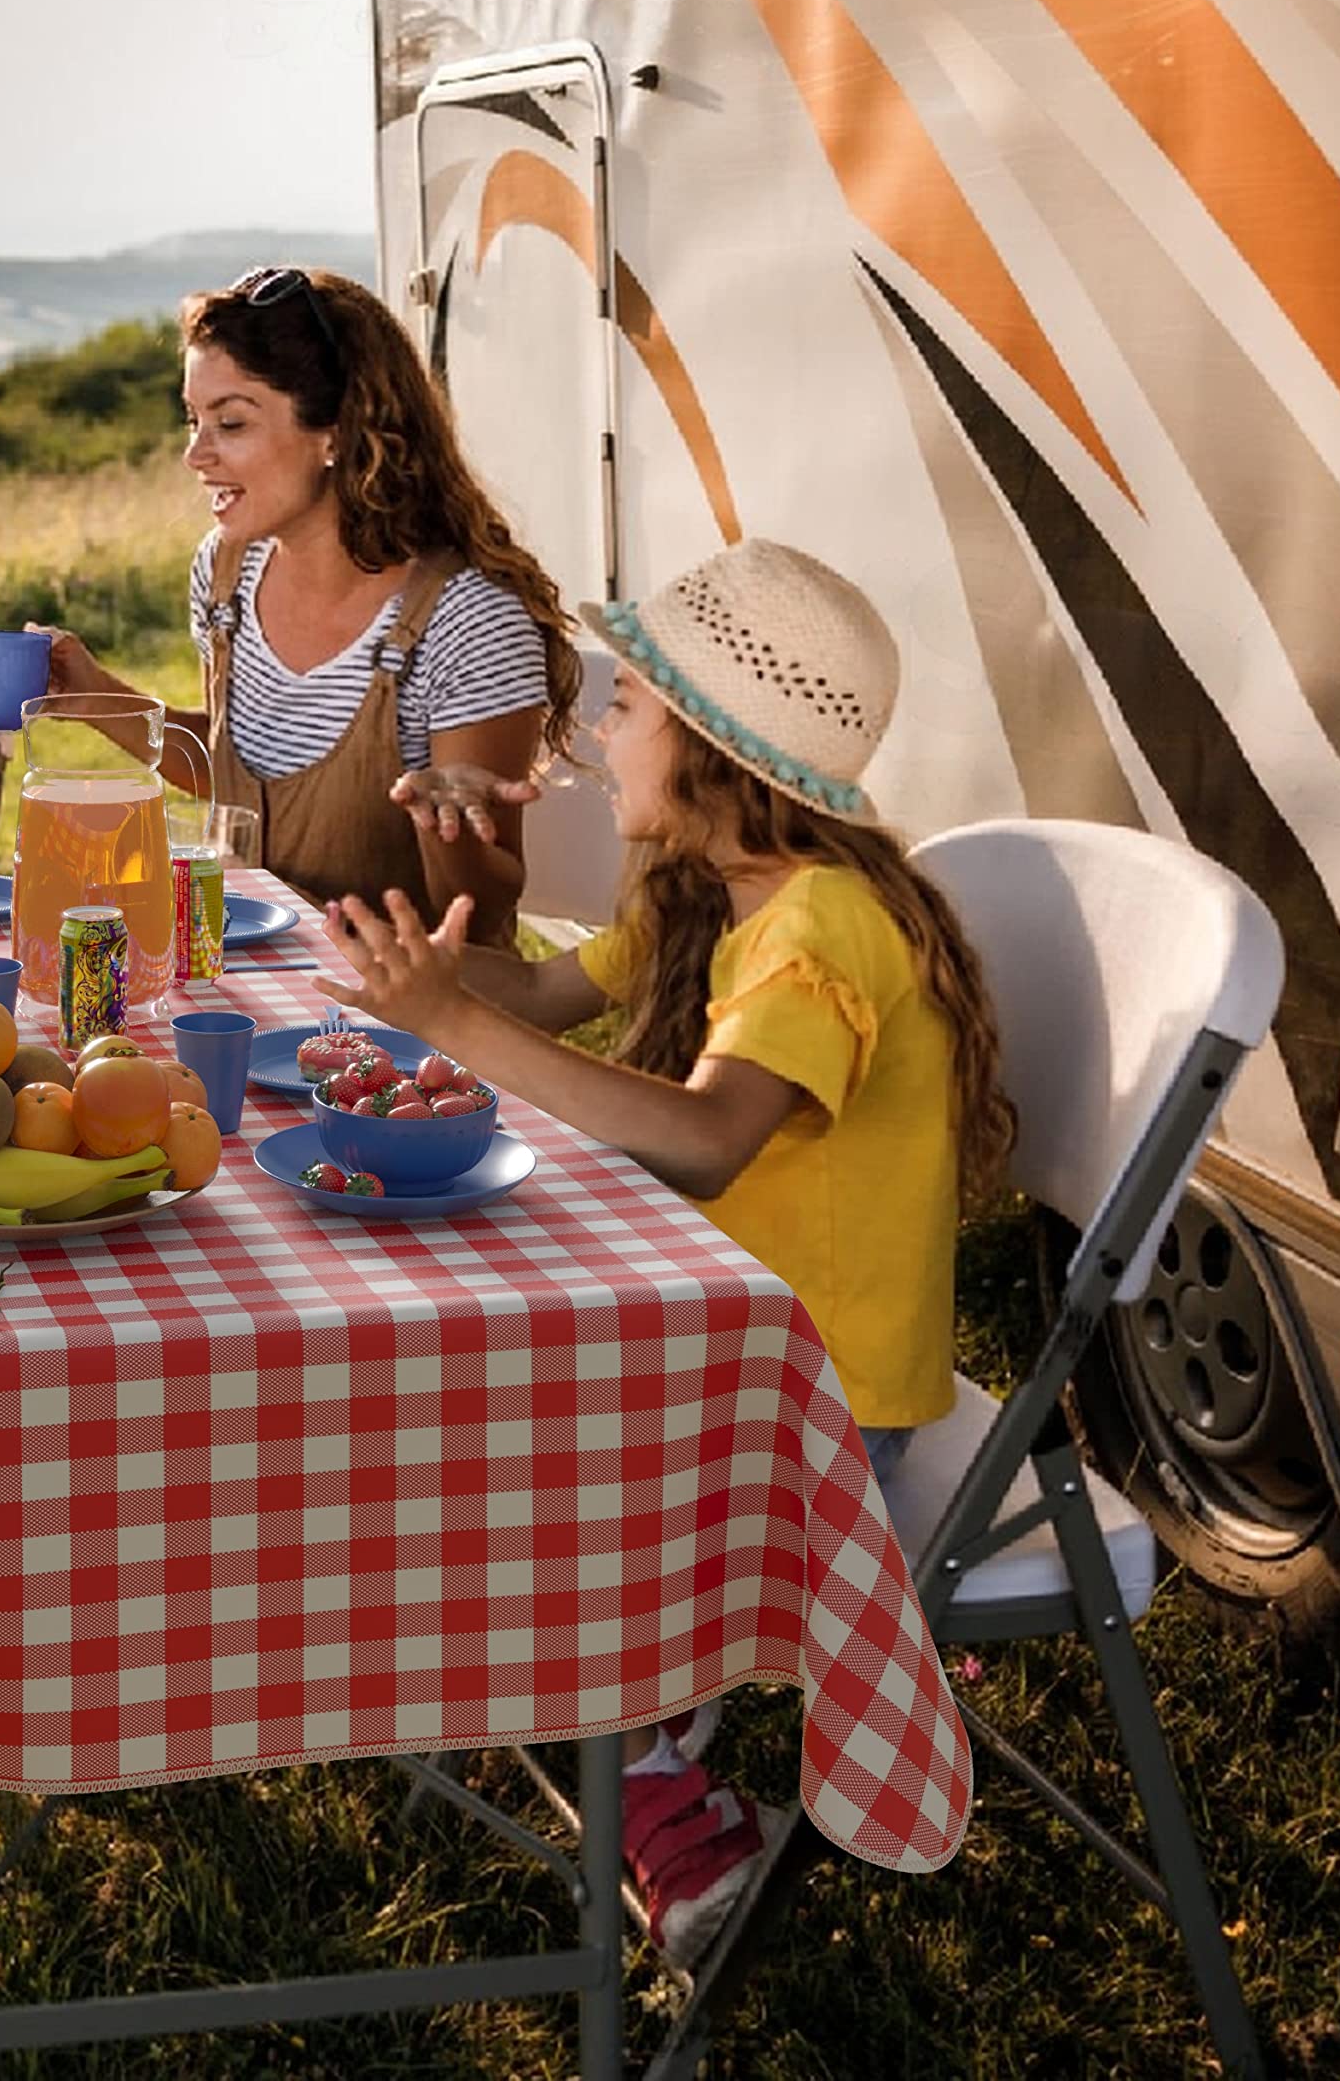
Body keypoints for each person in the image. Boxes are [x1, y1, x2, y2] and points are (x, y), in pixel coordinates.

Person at [316, 537, 1015, 1970]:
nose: (595, 733)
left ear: (710, 750)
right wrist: (428, 935)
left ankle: (664, 1794)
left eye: (627, 705)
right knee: (466, 1397)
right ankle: (629, 1722)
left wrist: (452, 1028)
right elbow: (536, 994)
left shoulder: (818, 926)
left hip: (816, 1410)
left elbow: (705, 1140)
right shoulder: (710, 892)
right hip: (721, 1346)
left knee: (508, 1476)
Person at [34, 265, 579, 945]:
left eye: (230, 422)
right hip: (250, 978)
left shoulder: (468, 621)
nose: (194, 455)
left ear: (336, 433)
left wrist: (446, 830)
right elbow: (234, 760)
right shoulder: (227, 570)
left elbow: (485, 906)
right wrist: (95, 698)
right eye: (192, 419)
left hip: (408, 1019)